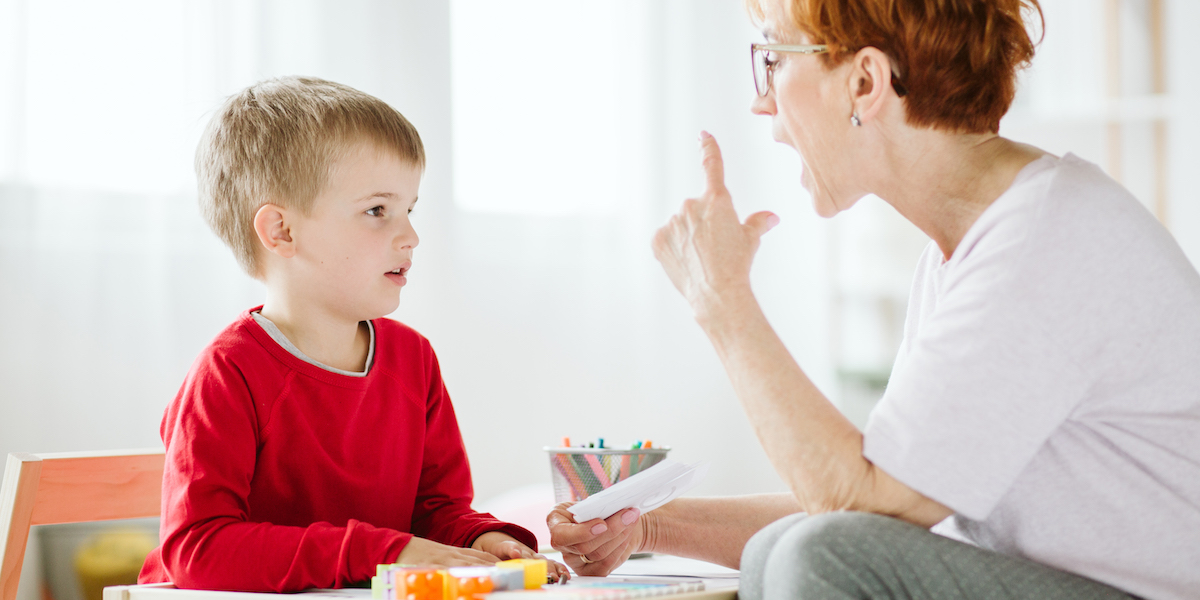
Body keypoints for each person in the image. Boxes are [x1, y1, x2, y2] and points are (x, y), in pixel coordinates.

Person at [548, 1, 1200, 599]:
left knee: (816, 554)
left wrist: (721, 300)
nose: (761, 103)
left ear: (865, 82)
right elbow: (872, 507)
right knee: (789, 547)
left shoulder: (1042, 242)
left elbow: (852, 515)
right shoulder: (976, 249)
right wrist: (647, 527)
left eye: (773, 59)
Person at [137, 77, 568, 592]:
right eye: (377, 211)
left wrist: (479, 541)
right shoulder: (227, 374)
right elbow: (198, 549)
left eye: (410, 209)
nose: (410, 236)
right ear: (282, 232)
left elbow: (437, 513)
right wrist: (384, 550)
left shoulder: (414, 360)